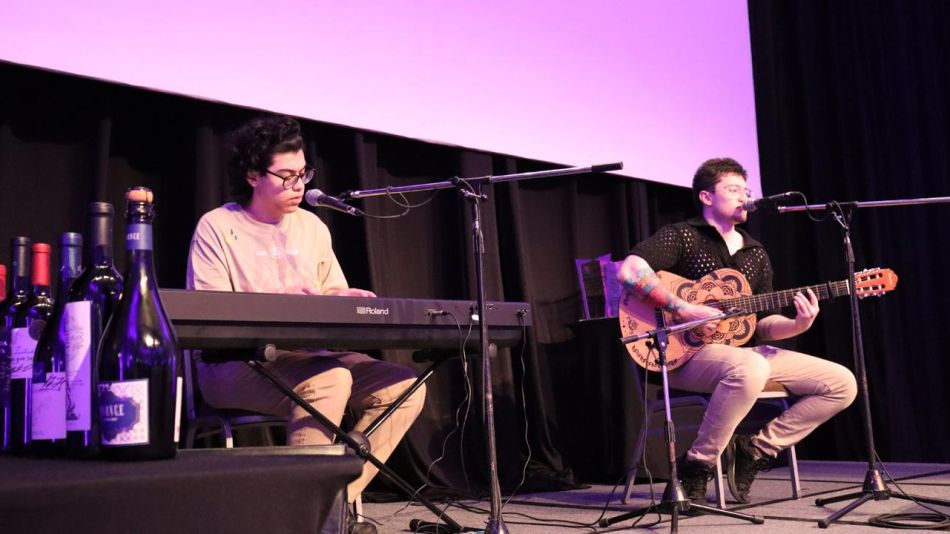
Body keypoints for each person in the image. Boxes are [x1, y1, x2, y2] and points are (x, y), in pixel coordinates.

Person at [186, 115, 426, 522]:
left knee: (404, 386)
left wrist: (342, 297)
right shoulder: (218, 226)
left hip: (313, 356)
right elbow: (210, 312)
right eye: (286, 176)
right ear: (251, 174)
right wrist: (276, 301)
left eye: (303, 174)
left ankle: (325, 503)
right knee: (331, 379)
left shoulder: (311, 226)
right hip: (236, 364)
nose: (299, 185)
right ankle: (307, 514)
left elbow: (328, 292)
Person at [617, 157, 857, 503]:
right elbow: (629, 271)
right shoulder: (683, 236)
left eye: (746, 190)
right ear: (706, 197)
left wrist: (798, 323)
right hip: (683, 354)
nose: (744, 197)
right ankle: (698, 464)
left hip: (740, 355)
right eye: (733, 189)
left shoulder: (755, 254)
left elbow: (763, 325)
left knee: (842, 383)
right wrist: (681, 308)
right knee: (751, 366)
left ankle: (757, 450)